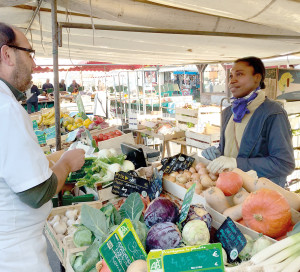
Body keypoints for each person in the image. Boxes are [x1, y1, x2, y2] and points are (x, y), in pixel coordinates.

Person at [0, 22, 85, 271]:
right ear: (7, 54)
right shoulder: (6, 110)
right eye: (29, 53)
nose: (34, 64)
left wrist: (52, 165)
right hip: (15, 256)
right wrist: (66, 164)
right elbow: (36, 193)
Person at [202, 56, 295, 187]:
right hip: (231, 188)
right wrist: (218, 154)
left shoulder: (273, 113)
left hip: (261, 193)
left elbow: (284, 164)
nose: (232, 81)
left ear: (257, 78)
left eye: (239, 74)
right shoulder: (228, 112)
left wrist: (236, 163)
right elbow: (233, 148)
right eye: (230, 76)